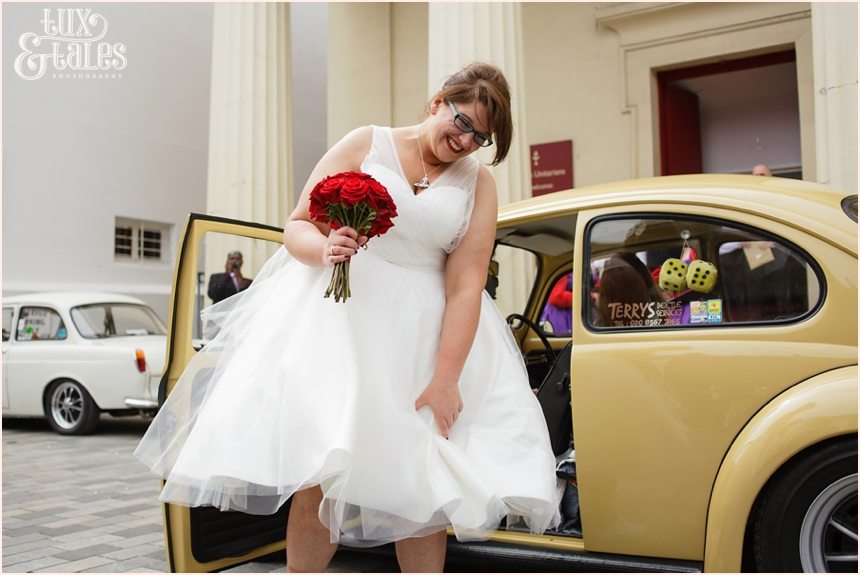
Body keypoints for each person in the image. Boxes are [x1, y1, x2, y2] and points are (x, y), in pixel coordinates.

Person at [134, 62, 560, 573]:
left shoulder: (478, 184)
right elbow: (298, 226)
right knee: (322, 473)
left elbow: (466, 284)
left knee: (421, 484)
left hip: (422, 341)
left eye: (481, 137)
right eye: (463, 122)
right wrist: (325, 249)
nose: (466, 141)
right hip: (342, 327)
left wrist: (446, 378)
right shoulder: (366, 143)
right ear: (437, 102)